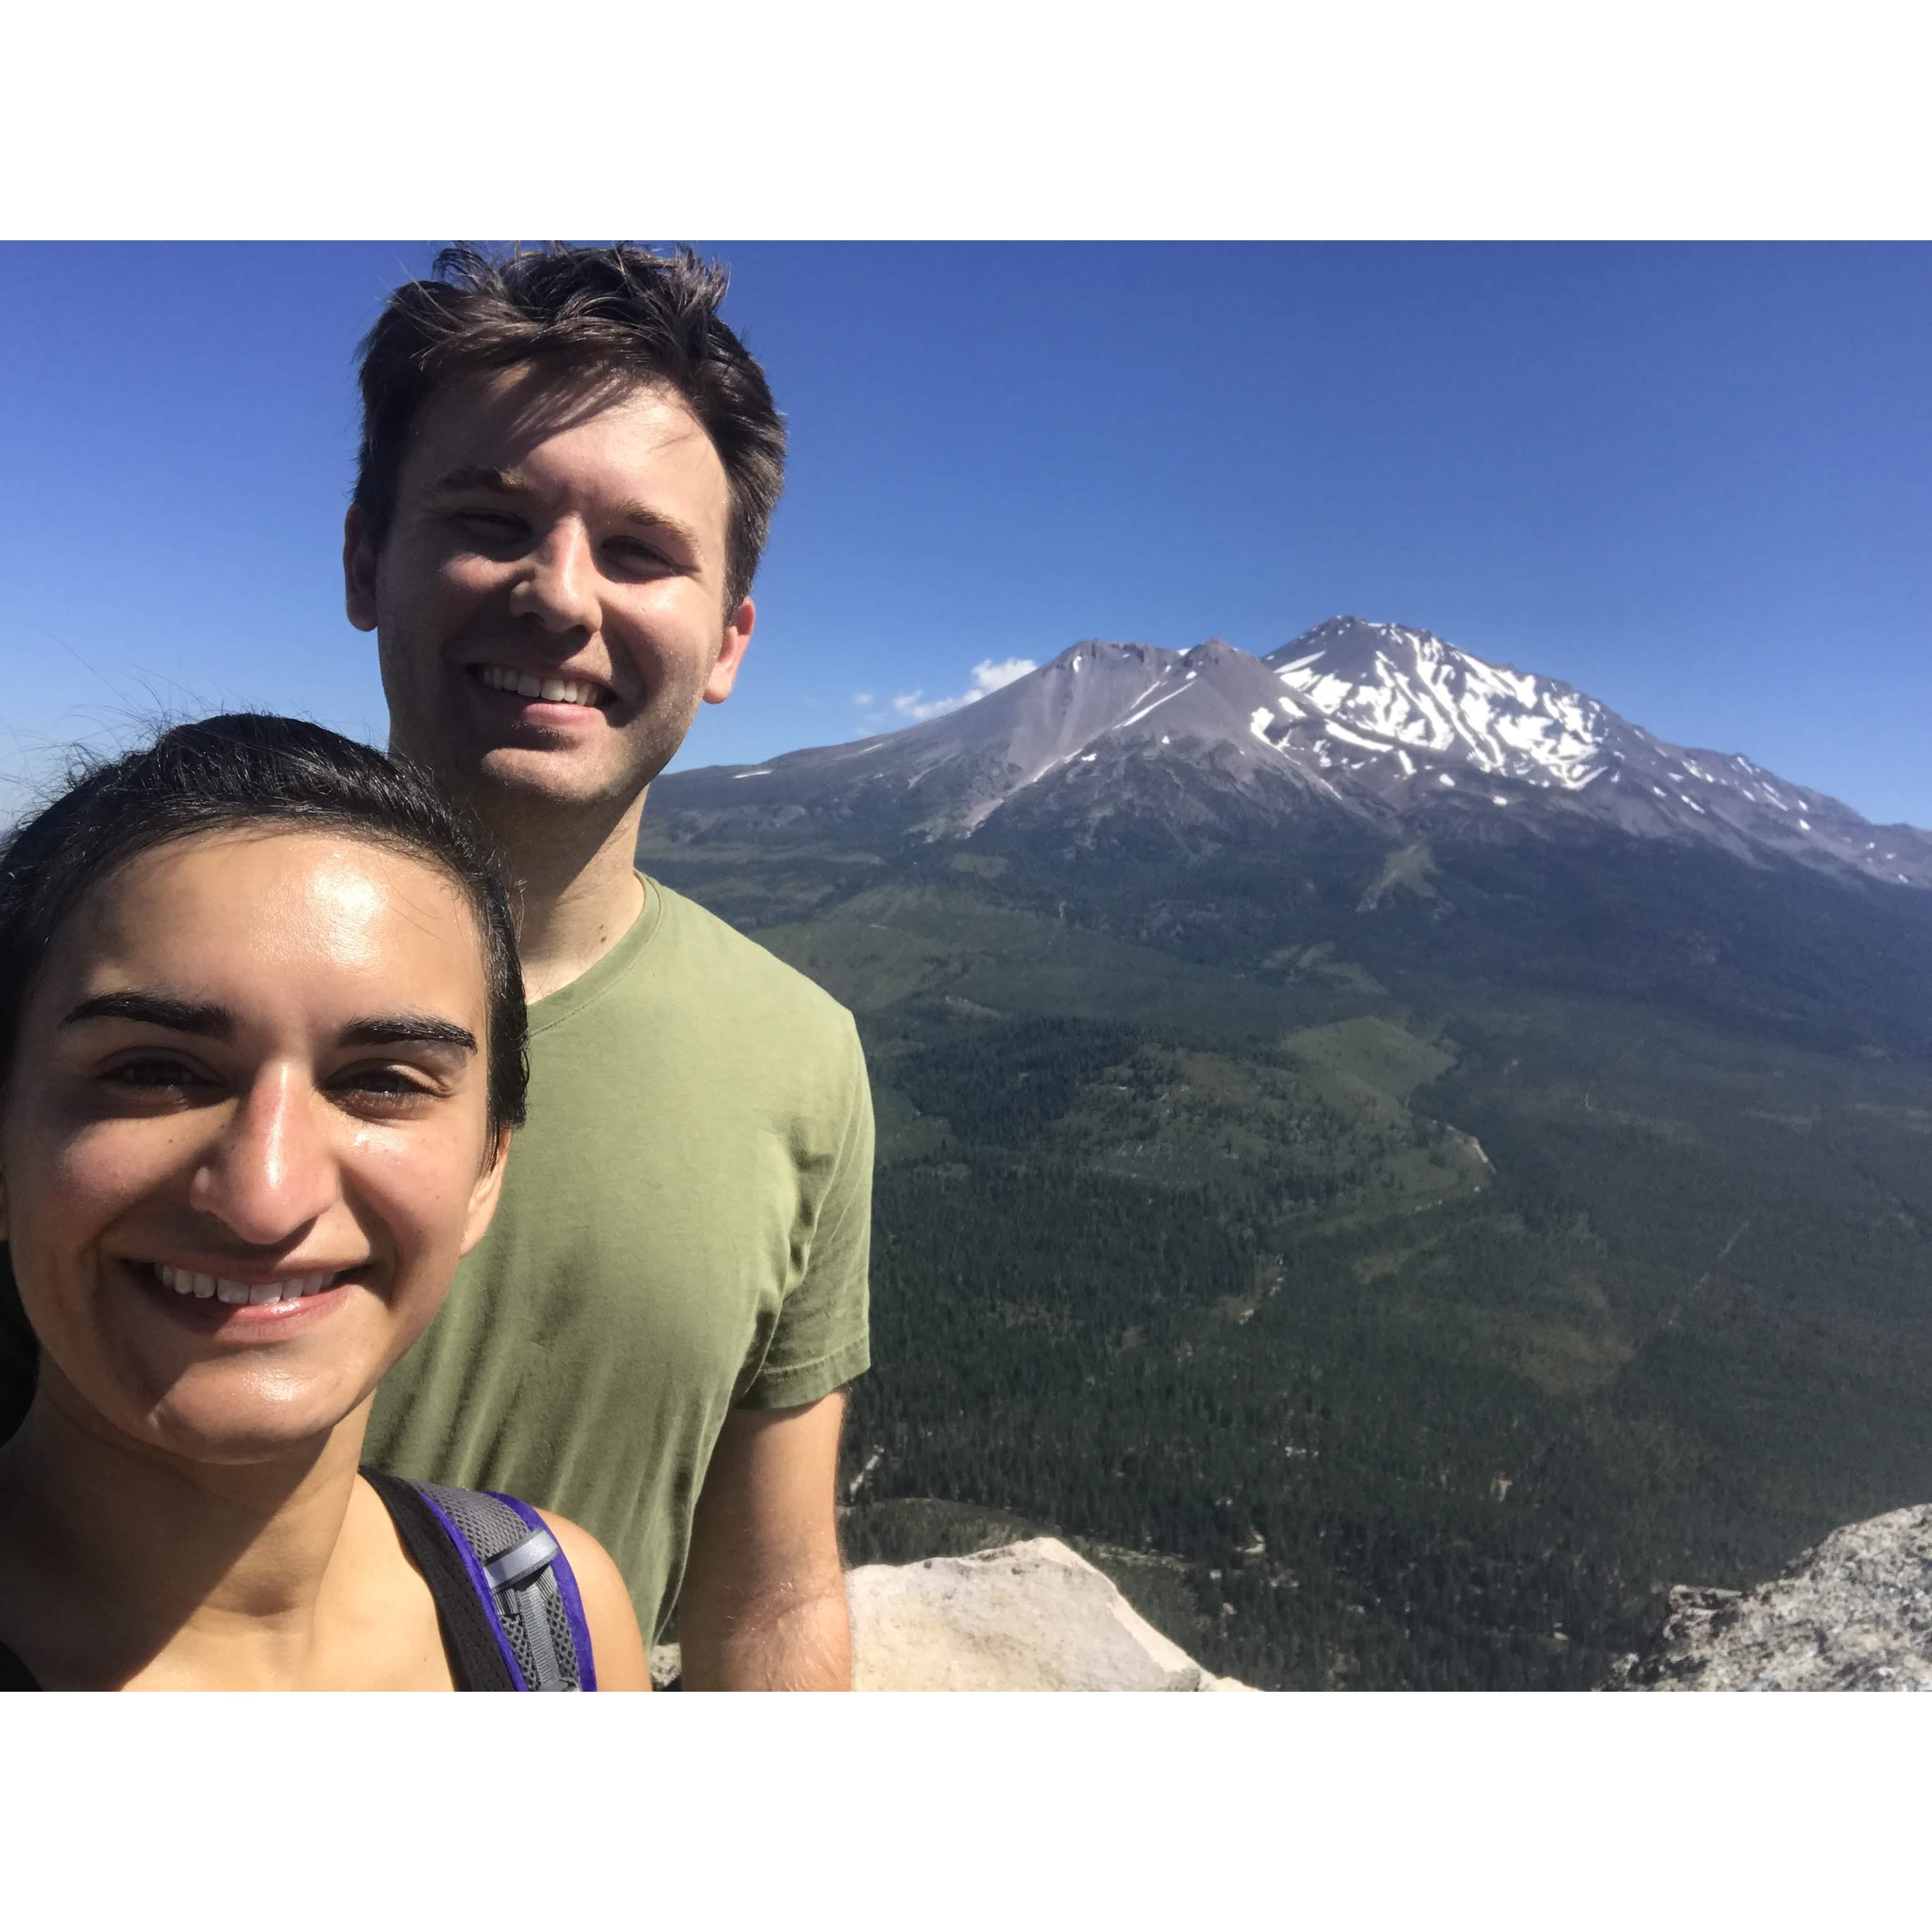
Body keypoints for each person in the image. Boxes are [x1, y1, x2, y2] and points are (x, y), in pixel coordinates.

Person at [342, 242, 872, 1688]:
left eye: (640, 551)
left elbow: (771, 1590)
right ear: (362, 559)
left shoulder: (800, 1059)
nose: (560, 595)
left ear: (726, 640)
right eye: (488, 518)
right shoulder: (96, 985)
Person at [0, 715, 649, 1690]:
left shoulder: (557, 1617)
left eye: (383, 1081)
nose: (265, 1198)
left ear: (488, 1170)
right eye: (152, 1070)